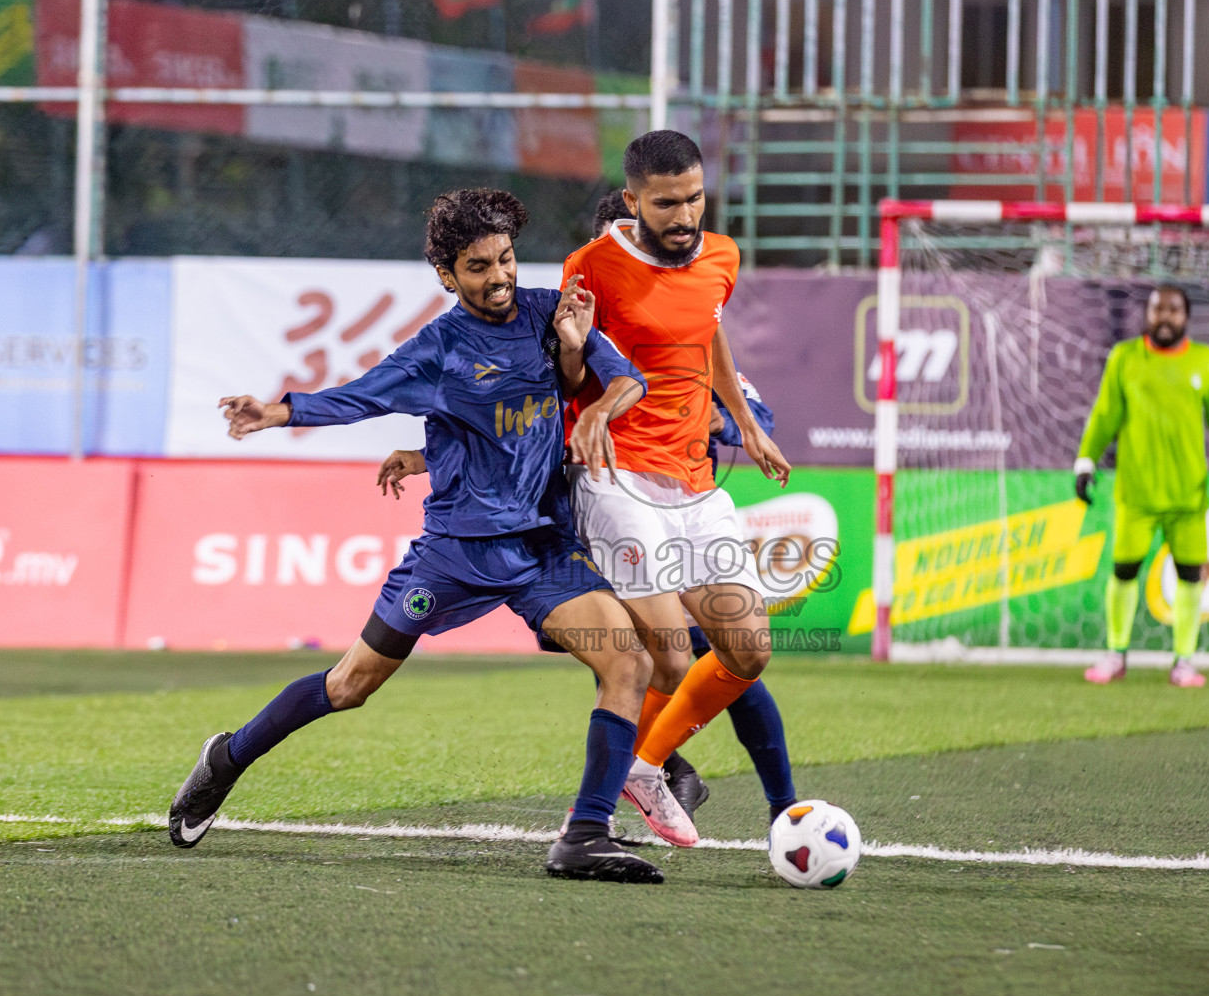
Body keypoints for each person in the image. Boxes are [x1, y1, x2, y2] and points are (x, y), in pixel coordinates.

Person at [166, 188, 688, 884]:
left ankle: (585, 835)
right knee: (350, 685)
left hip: (539, 548)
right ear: (447, 275)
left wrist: (581, 374)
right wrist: (276, 411)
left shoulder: (549, 310)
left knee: (629, 662)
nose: (499, 276)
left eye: (504, 258)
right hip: (456, 554)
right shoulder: (439, 347)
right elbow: (361, 395)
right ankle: (227, 758)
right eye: (477, 267)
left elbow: (627, 380)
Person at [373, 188, 801, 838]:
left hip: (673, 516)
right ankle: (645, 782)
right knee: (668, 656)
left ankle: (679, 783)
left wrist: (714, 416)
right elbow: (506, 422)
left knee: (715, 654)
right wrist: (424, 454)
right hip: (582, 524)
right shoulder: (569, 342)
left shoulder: (678, 344)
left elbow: (748, 409)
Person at [561, 131, 794, 847]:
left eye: (694, 197)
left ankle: (645, 763)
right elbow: (565, 375)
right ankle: (596, 815)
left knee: (749, 649)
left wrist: (746, 424)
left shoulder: (722, 256)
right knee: (667, 653)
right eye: (666, 203)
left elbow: (708, 331)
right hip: (617, 477)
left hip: (694, 483)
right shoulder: (591, 266)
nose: (684, 214)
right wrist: (577, 367)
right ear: (632, 202)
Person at [1076, 284, 1209, 688]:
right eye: (1157, 309)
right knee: (1124, 570)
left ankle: (1184, 660)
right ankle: (1116, 654)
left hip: (1189, 494)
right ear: (1146, 314)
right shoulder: (1125, 358)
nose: (1165, 317)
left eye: (1173, 310)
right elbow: (1104, 416)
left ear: (1186, 316)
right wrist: (1085, 462)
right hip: (1137, 494)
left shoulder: (1204, 361)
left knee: (1190, 575)